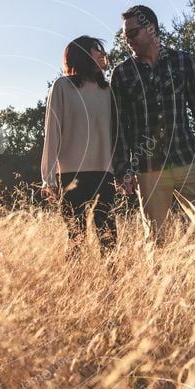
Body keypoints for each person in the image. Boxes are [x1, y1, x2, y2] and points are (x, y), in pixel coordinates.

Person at [111, 5, 195, 244]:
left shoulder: (182, 61)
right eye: (125, 36)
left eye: (133, 33)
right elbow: (119, 126)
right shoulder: (122, 73)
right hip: (148, 169)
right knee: (157, 241)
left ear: (151, 29)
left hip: (189, 161)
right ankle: (162, 283)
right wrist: (122, 168)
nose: (128, 40)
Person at [41, 35, 118, 250]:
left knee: (109, 238)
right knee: (76, 238)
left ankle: (114, 283)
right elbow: (52, 132)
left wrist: (123, 170)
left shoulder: (109, 91)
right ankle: (76, 282)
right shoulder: (62, 86)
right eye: (96, 49)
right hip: (71, 174)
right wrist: (48, 178)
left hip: (105, 173)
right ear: (82, 54)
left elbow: (118, 134)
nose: (103, 54)